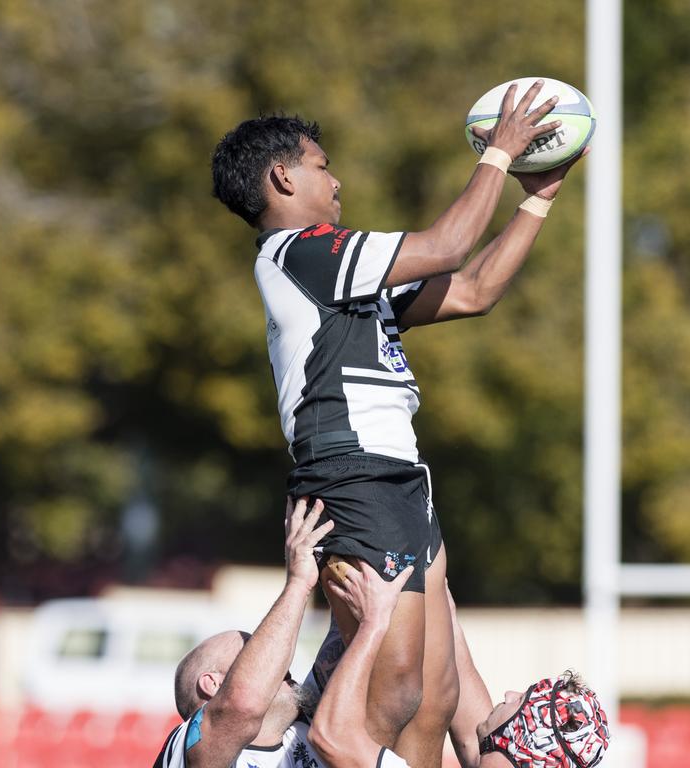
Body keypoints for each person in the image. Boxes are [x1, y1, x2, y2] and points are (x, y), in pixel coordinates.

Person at [210, 81, 589, 768]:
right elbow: (446, 245)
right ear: (282, 176)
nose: (337, 179)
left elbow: (471, 290)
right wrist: (499, 154)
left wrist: (540, 196)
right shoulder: (302, 252)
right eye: (323, 166)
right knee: (395, 694)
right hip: (352, 473)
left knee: (436, 694)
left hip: (397, 476)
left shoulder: (339, 276)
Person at [308, 563, 610, 768]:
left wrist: (373, 624)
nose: (509, 694)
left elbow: (329, 736)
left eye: (522, 700)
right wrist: (437, 592)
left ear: (524, 741)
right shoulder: (500, 748)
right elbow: (467, 716)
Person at [154, 496, 340, 768]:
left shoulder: (313, 732)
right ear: (213, 684)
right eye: (250, 652)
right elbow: (239, 706)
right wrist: (299, 582)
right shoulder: (186, 745)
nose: (279, 661)